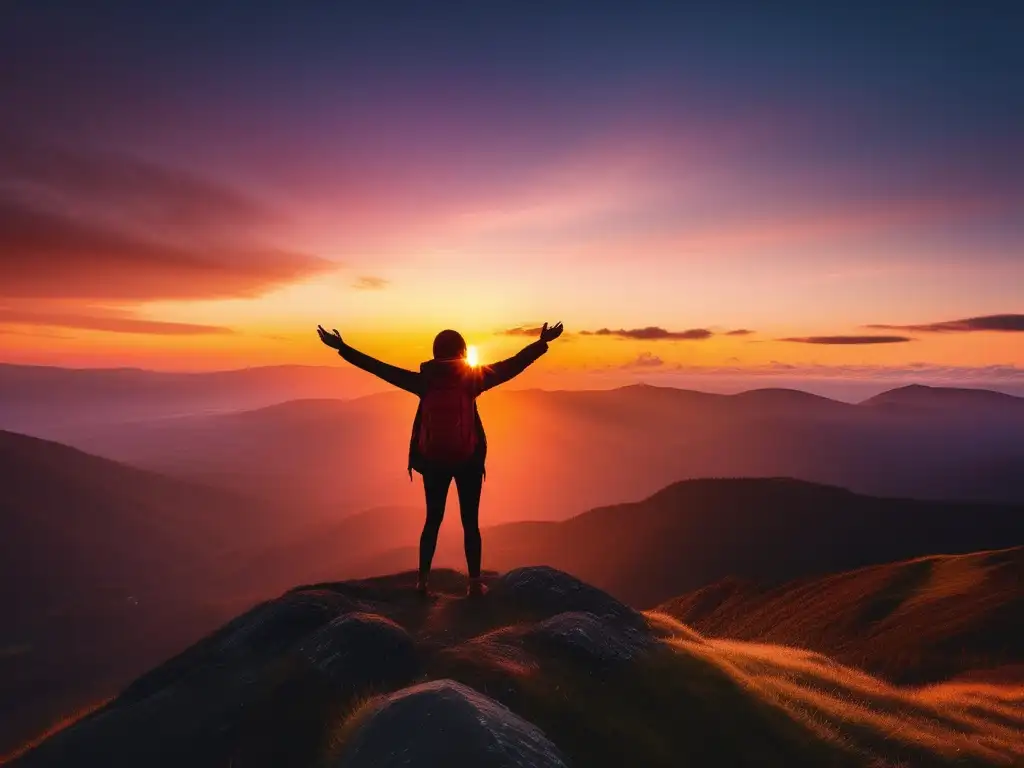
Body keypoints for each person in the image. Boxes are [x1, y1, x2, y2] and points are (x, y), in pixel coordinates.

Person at [316, 321, 564, 597]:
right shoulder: (472, 380)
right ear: (462, 352)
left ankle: (422, 582)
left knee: (432, 520)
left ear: (435, 353)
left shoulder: (424, 381)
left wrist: (343, 348)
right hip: (467, 461)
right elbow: (513, 365)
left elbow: (379, 368)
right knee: (470, 523)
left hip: (433, 462)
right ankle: (474, 585)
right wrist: (542, 343)